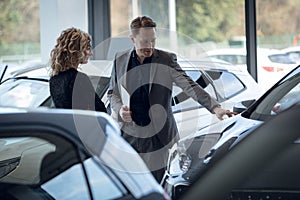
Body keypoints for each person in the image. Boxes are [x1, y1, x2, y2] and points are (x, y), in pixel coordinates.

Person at [107, 16, 235, 182]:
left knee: (159, 187)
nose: (150, 46)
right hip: (128, 136)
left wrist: (216, 108)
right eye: (145, 41)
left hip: (158, 139)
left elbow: (190, 86)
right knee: (132, 186)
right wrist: (120, 109)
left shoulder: (166, 60)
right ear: (133, 39)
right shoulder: (120, 59)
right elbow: (112, 92)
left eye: (153, 41)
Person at [49, 27, 107, 113]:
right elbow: (101, 111)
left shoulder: (54, 80)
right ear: (76, 51)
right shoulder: (79, 79)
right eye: (87, 48)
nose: (91, 53)